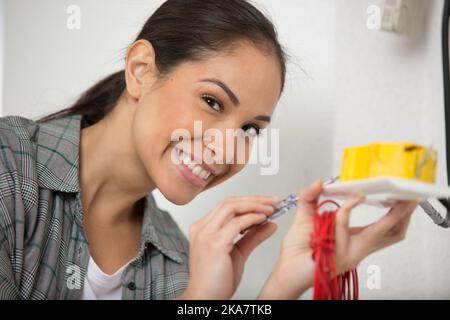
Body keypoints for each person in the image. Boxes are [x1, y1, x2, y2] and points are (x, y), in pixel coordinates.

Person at [0, 0, 419, 300]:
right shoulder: (9, 168)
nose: (227, 148)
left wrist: (281, 285)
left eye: (251, 130)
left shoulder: (177, 259)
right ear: (141, 71)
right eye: (213, 102)